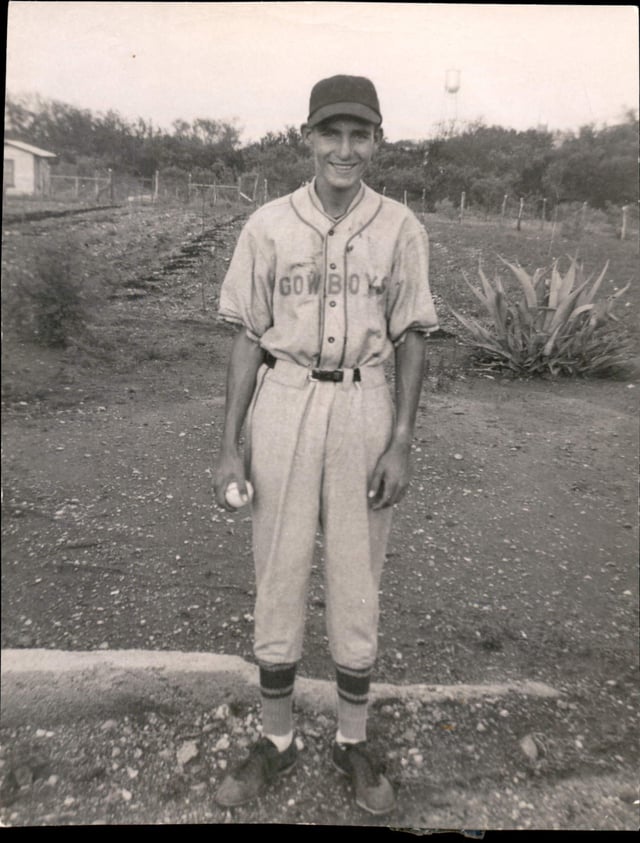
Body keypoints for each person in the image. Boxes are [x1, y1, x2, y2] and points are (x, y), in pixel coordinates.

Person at [212, 74, 438, 815]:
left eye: (360, 134)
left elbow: (409, 338)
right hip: (285, 397)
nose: (345, 149)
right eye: (331, 133)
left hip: (364, 402)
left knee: (355, 573)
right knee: (277, 567)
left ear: (378, 140)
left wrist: (401, 439)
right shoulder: (268, 224)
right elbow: (248, 338)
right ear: (306, 136)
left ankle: (352, 737)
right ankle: (275, 740)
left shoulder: (400, 225)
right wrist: (230, 445)